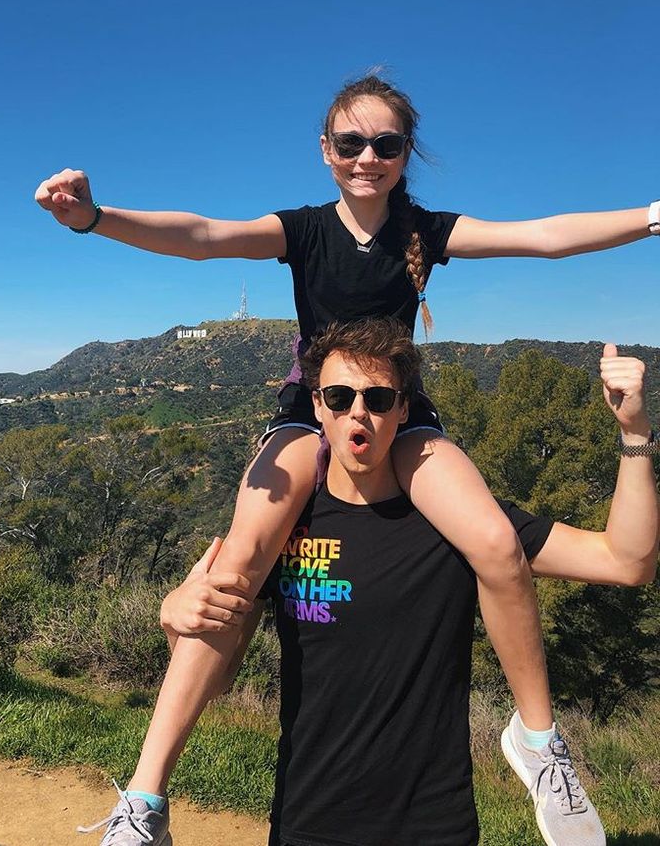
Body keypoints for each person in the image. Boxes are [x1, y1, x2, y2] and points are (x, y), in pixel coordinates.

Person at [36, 74, 660, 845]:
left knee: (497, 544)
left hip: (400, 412)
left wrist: (653, 216)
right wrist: (95, 218)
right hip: (313, 409)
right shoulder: (303, 231)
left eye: (386, 144)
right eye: (350, 142)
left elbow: (543, 235)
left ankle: (538, 743)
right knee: (235, 569)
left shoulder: (423, 232)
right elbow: (200, 236)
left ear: (405, 155)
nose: (368, 157)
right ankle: (146, 798)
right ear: (325, 151)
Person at [82, 317, 659, 845]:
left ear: (403, 411)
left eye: (378, 399)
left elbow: (626, 562)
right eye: (339, 397)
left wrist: (635, 433)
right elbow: (222, 676)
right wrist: (173, 621)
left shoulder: (459, 524)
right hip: (307, 823)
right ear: (318, 407)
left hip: (434, 825)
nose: (359, 412)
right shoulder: (289, 526)